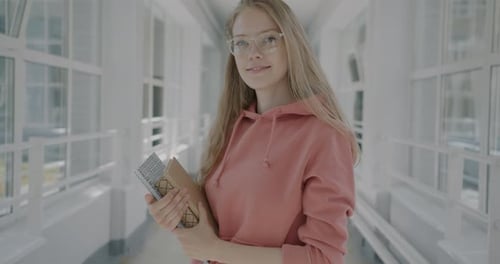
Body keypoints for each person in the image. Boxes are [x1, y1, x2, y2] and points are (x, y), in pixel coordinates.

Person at [144, 0, 360, 263]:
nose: (252, 53)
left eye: (268, 39)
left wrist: (215, 250)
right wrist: (175, 213)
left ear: (291, 44)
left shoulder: (325, 136)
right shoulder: (234, 125)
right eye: (242, 43)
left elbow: (324, 258)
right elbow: (219, 221)